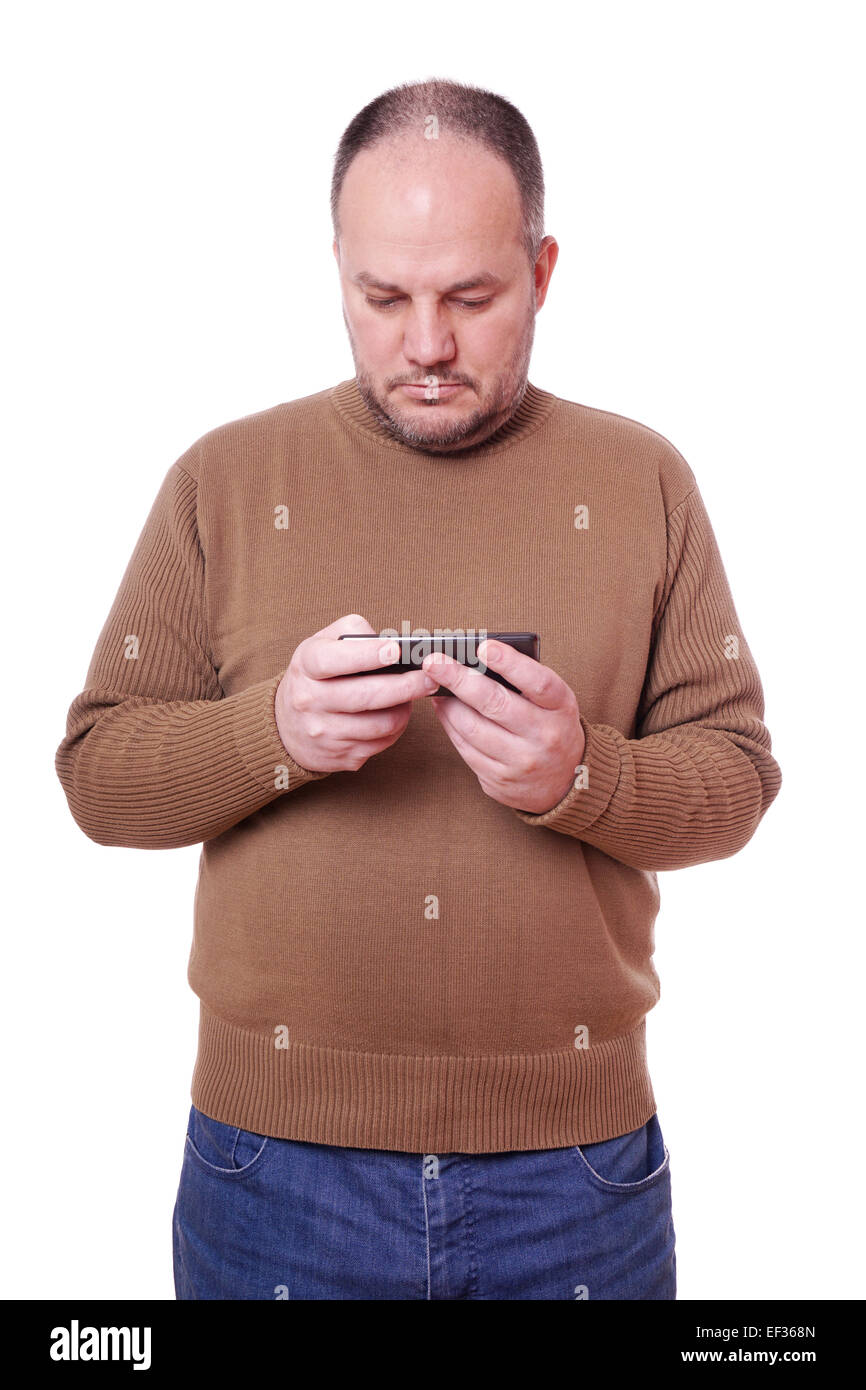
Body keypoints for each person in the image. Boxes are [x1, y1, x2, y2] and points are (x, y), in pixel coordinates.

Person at [55, 77, 782, 1301]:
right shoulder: (222, 479)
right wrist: (265, 736)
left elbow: (737, 779)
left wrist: (581, 775)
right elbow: (97, 777)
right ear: (335, 267)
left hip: (572, 1177)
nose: (426, 343)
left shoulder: (643, 477)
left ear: (542, 272)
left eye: (472, 297)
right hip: (270, 1169)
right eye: (382, 297)